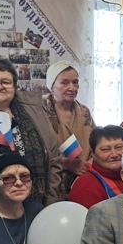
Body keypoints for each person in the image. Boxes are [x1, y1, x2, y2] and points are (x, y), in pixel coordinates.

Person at [0, 55, 64, 214]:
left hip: (34, 209)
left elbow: (54, 159)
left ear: (14, 87)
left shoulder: (34, 114)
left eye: (6, 82)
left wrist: (52, 199)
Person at [42, 61, 95, 192]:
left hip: (85, 179)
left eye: (75, 82)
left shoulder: (84, 112)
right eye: (64, 83)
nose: (72, 88)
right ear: (52, 86)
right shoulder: (41, 112)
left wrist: (89, 165)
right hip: (51, 184)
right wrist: (65, 163)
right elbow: (35, 152)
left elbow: (96, 143)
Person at [67, 125, 123, 209]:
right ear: (93, 154)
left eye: (118, 147)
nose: (114, 155)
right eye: (106, 149)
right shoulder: (85, 185)